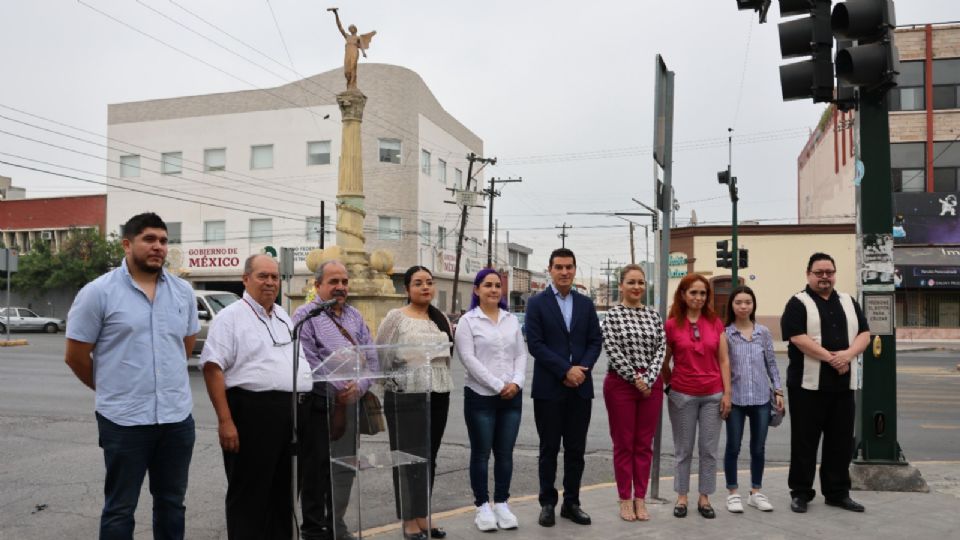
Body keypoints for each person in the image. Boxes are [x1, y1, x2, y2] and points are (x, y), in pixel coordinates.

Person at [65, 212, 199, 540]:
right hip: (124, 422)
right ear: (127, 244)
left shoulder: (183, 292)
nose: (158, 247)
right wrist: (111, 387)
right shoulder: (98, 293)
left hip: (176, 420)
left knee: (171, 503)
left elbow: (185, 345)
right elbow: (76, 356)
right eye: (149, 240)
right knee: (120, 508)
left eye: (164, 241)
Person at [200, 254, 313, 539]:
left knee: (282, 497)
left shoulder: (283, 316)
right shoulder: (230, 318)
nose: (271, 282)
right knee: (249, 497)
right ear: (246, 279)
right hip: (252, 414)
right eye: (263, 276)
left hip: (290, 416)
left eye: (275, 277)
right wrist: (225, 421)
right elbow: (213, 368)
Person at [294, 260, 379, 540]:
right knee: (316, 469)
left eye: (344, 281)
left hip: (352, 404)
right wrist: (341, 388)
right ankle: (315, 530)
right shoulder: (304, 317)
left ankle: (337, 524)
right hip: (319, 406)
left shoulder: (355, 317)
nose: (340, 287)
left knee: (344, 468)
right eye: (334, 282)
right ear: (317, 285)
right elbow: (308, 361)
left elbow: (374, 359)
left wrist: (360, 386)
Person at [781, 252, 870, 514]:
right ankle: (801, 493)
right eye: (819, 273)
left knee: (840, 442)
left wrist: (848, 355)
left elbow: (865, 333)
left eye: (829, 272)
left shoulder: (848, 301)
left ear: (834, 274)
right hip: (806, 387)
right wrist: (833, 358)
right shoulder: (797, 303)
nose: (824, 277)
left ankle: (837, 493)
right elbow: (797, 337)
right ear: (808, 274)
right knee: (804, 442)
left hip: (843, 387)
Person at [525, 248, 603, 527]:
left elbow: (595, 341)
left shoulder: (585, 303)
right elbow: (535, 344)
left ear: (574, 269)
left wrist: (581, 369)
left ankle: (572, 503)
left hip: (580, 388)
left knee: (576, 450)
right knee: (548, 449)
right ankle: (547, 502)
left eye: (569, 267)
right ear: (550, 269)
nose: (564, 272)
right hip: (549, 388)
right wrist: (564, 370)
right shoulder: (536, 304)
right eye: (559, 267)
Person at [377, 266, 454, 540]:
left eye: (429, 283)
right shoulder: (395, 318)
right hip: (405, 395)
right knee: (408, 459)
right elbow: (382, 359)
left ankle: (423, 515)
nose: (426, 287)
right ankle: (408, 520)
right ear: (407, 289)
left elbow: (448, 357)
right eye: (419, 283)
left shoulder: (440, 318)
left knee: (428, 458)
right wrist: (401, 375)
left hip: (438, 394)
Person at [454, 268, 526, 532]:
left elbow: (521, 354)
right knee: (481, 453)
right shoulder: (468, 321)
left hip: (511, 397)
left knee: (505, 454)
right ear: (477, 290)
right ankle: (482, 506)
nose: (494, 290)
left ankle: (502, 503)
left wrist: (516, 382)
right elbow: (468, 359)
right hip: (481, 397)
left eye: (497, 285)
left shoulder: (510, 320)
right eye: (488, 285)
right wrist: (498, 385)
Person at [662, 273, 731, 520]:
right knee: (683, 450)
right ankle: (682, 496)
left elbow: (723, 359)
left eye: (703, 293)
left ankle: (705, 497)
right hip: (682, 396)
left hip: (713, 395)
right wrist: (672, 384)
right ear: (683, 294)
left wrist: (727, 394)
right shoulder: (671, 325)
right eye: (693, 292)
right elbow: (664, 361)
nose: (698, 297)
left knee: (709, 450)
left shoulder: (715, 323)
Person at [600, 264, 665, 522]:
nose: (637, 287)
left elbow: (662, 347)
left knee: (644, 445)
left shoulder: (653, 316)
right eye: (631, 282)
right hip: (621, 384)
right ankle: (625, 498)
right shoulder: (613, 316)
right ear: (621, 286)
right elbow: (612, 348)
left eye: (640, 282)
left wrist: (647, 378)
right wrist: (634, 377)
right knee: (624, 444)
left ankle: (641, 497)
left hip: (651, 385)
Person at [722, 286, 784, 514]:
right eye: (738, 302)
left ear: (753, 305)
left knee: (758, 448)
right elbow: (722, 367)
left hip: (760, 398)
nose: (743, 306)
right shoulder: (726, 334)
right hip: (735, 399)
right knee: (733, 446)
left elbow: (772, 364)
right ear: (731, 305)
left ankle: (756, 492)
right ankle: (733, 493)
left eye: (748, 302)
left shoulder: (763, 333)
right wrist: (724, 395)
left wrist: (778, 391)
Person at [328, 7, 376, 90]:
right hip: (347, 52)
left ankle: (353, 85)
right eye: (350, 29)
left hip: (354, 51)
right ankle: (349, 84)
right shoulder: (347, 36)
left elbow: (361, 46)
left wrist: (364, 53)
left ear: (355, 29)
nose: (350, 30)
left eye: (352, 28)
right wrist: (336, 14)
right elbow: (340, 27)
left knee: (353, 67)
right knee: (347, 71)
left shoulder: (358, 37)